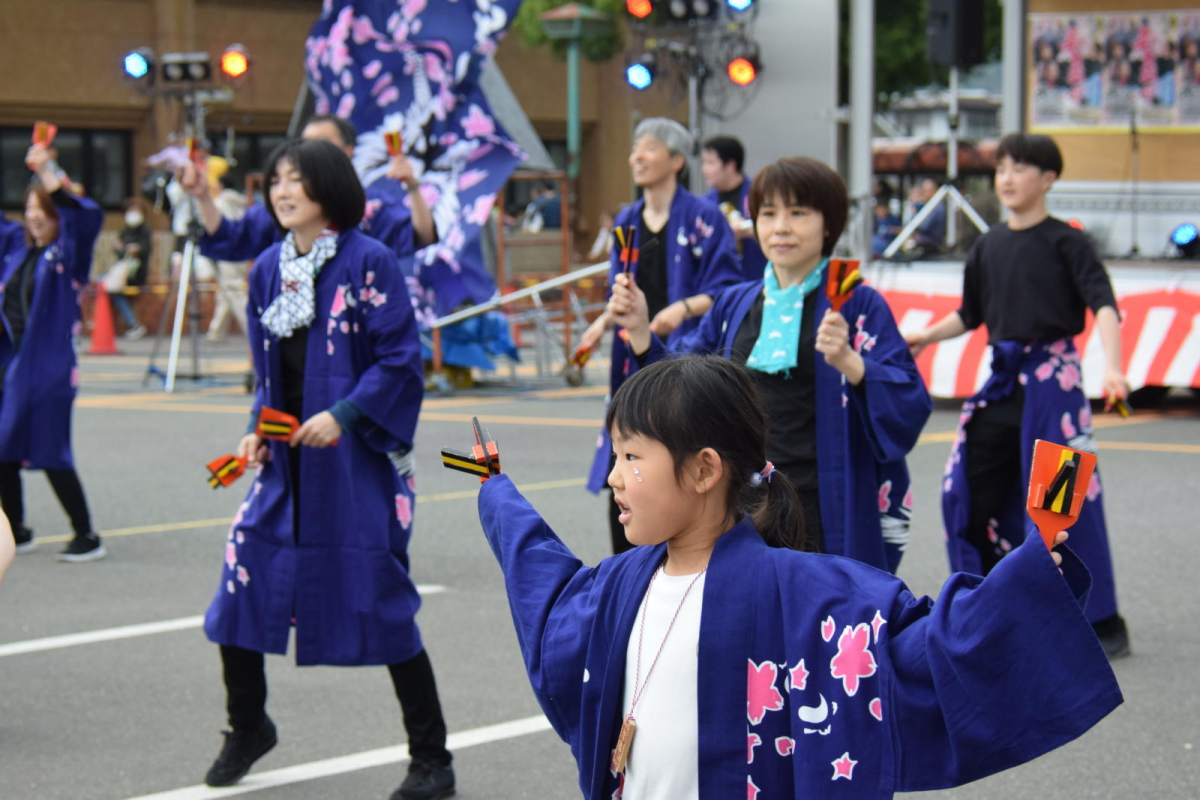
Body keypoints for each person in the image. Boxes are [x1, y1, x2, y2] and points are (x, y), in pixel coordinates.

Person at [473, 355, 1122, 800]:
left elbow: (927, 657)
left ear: (704, 470)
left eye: (632, 457)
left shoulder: (810, 598)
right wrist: (494, 490)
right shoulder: (617, 586)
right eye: (615, 456)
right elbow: (547, 585)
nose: (613, 477)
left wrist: (1031, 581)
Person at [201, 138, 454, 800]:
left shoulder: (370, 261)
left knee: (380, 596)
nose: (284, 191)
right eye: (277, 181)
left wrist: (344, 414)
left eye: (298, 181)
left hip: (354, 468)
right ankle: (248, 724)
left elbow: (401, 359)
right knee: (242, 579)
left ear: (329, 189)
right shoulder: (266, 268)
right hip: (286, 464)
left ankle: (433, 758)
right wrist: (259, 429)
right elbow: (269, 372)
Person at [609, 157, 930, 571]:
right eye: (768, 213)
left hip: (823, 499)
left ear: (828, 224)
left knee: (822, 619)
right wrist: (639, 329)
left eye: (798, 213)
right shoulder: (734, 303)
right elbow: (683, 385)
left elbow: (908, 398)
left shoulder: (857, 303)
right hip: (741, 502)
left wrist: (852, 364)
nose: (781, 227)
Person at [904, 133, 1131, 659]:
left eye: (1020, 168)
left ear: (1048, 179)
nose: (1006, 178)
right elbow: (971, 313)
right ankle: (992, 601)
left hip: (1055, 390)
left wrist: (1114, 368)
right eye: (1001, 168)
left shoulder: (1067, 242)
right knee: (967, 490)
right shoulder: (988, 245)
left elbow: (1104, 305)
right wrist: (925, 336)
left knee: (1061, 505)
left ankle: (1096, 617)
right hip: (1002, 383)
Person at [577, 117, 741, 555]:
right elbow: (621, 292)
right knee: (628, 443)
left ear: (675, 160)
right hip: (631, 355)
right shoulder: (627, 221)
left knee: (676, 448)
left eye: (648, 148)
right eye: (634, 149)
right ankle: (629, 555)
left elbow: (727, 289)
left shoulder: (706, 217)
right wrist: (600, 325)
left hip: (684, 354)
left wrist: (680, 309)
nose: (637, 157)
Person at [0, 144, 105, 562]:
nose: (34, 216)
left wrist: (47, 170)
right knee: (3, 449)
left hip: (49, 370)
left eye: (42, 207)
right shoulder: (17, 252)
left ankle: (86, 534)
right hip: (12, 367)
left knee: (52, 450)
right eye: (28, 208)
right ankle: (16, 528)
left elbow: (88, 214)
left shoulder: (69, 255)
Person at [183, 114, 436, 269]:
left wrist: (412, 186)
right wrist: (203, 195)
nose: (282, 192)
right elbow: (231, 237)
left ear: (348, 150)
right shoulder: (285, 209)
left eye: (322, 143)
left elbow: (420, 236)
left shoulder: (370, 207)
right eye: (305, 143)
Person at [701, 136, 767, 282]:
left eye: (710, 163)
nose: (704, 169)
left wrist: (750, 231)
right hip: (722, 284)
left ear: (730, 165)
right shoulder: (705, 203)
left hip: (758, 278)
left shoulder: (760, 194)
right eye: (704, 163)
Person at [204, 172, 249, 343]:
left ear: (221, 186)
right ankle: (216, 332)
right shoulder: (242, 202)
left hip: (226, 250)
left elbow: (212, 226)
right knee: (226, 292)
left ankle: (252, 329)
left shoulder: (220, 203)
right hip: (243, 250)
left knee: (234, 291)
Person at [106, 197, 152, 340]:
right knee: (105, 284)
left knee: (114, 291)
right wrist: (124, 249)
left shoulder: (145, 230)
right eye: (131, 211)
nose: (134, 214)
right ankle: (132, 324)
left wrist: (131, 249)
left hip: (136, 273)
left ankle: (134, 324)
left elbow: (145, 250)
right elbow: (121, 253)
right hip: (124, 272)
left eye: (136, 211)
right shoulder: (124, 230)